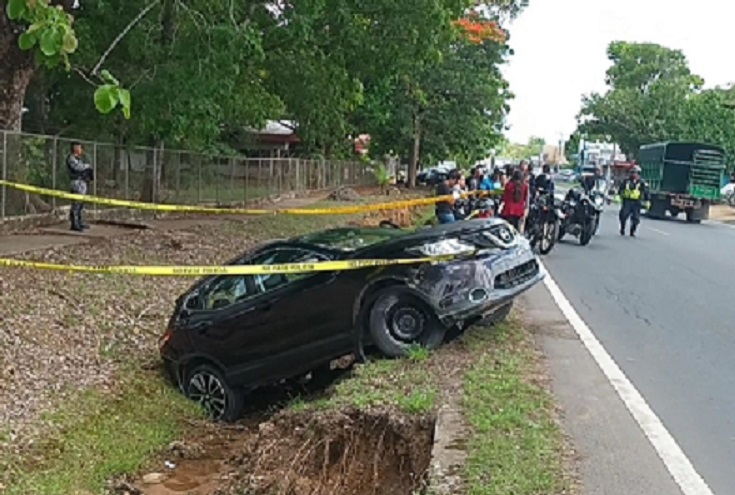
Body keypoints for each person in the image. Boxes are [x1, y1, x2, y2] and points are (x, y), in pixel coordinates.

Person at [66, 141, 93, 231]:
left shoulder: (79, 158)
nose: (81, 150)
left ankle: (80, 221)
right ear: (75, 148)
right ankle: (74, 224)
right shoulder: (71, 158)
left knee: (81, 204)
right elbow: (78, 168)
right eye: (80, 148)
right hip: (76, 182)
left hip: (82, 182)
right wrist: (87, 166)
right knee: (76, 204)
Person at [618, 165, 649, 237]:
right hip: (627, 201)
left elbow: (646, 192)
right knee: (623, 215)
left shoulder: (642, 183)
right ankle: (622, 228)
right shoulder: (626, 181)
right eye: (632, 172)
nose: (634, 174)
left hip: (636, 202)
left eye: (635, 173)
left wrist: (647, 201)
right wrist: (618, 196)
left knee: (636, 218)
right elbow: (621, 189)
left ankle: (632, 231)